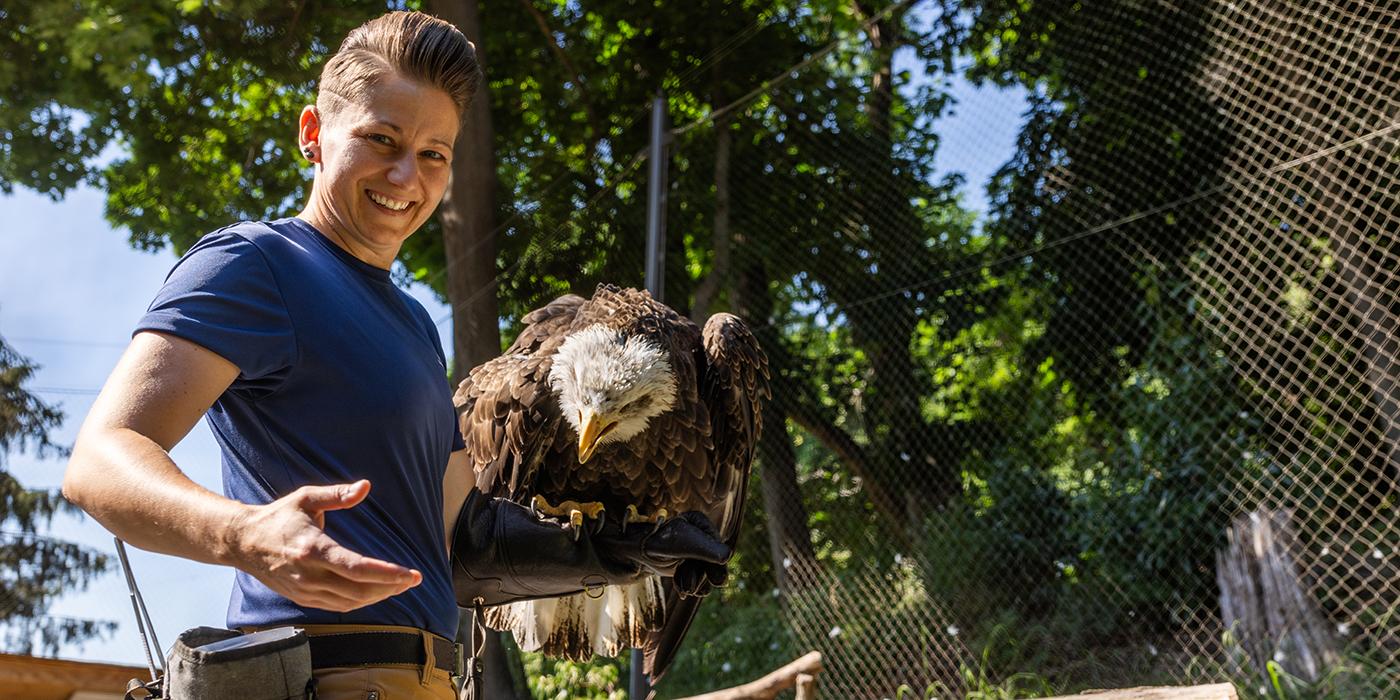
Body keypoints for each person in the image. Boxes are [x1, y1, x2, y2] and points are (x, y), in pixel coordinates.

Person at [62, 10, 728, 699]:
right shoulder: (254, 265)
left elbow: (459, 542)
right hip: (314, 675)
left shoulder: (413, 322)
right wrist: (243, 534)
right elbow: (101, 459)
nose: (406, 174)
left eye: (434, 154)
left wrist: (611, 552)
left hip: (429, 677)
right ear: (313, 135)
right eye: (381, 139)